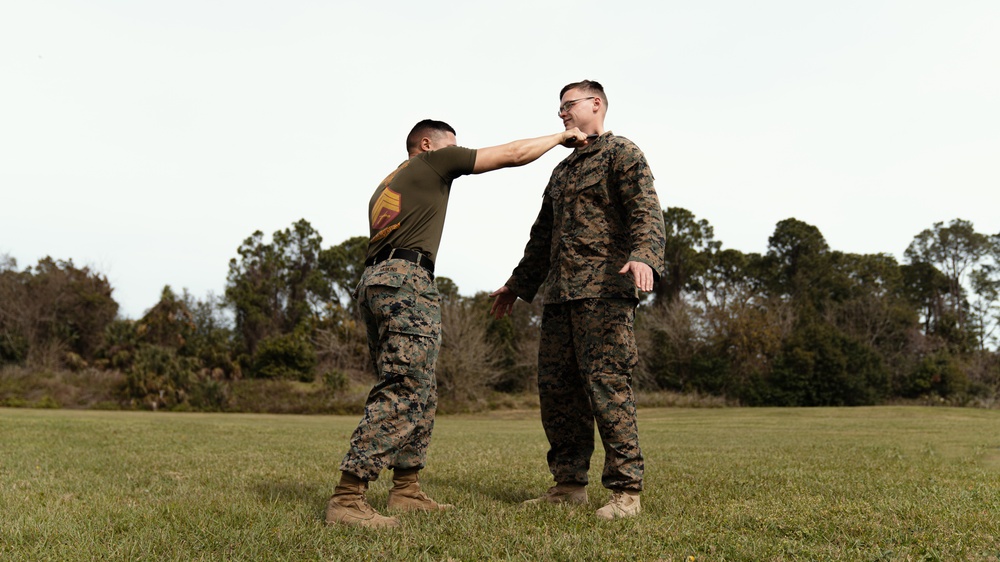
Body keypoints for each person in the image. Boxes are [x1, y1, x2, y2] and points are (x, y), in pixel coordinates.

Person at [326, 119, 589, 529]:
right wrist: (559, 137)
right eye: (453, 146)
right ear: (427, 144)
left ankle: (406, 489)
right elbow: (513, 154)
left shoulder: (389, 181)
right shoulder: (432, 162)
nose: (458, 153)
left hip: (376, 281)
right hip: (405, 281)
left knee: (421, 389)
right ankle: (347, 497)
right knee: (405, 387)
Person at [489, 80, 666, 520]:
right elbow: (542, 237)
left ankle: (626, 492)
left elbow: (646, 209)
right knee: (558, 394)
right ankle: (568, 485)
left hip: (604, 293)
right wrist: (517, 284)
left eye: (569, 105)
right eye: (560, 107)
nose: (562, 113)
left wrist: (645, 255)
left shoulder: (621, 153)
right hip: (560, 298)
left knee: (607, 388)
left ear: (596, 105)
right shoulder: (561, 171)